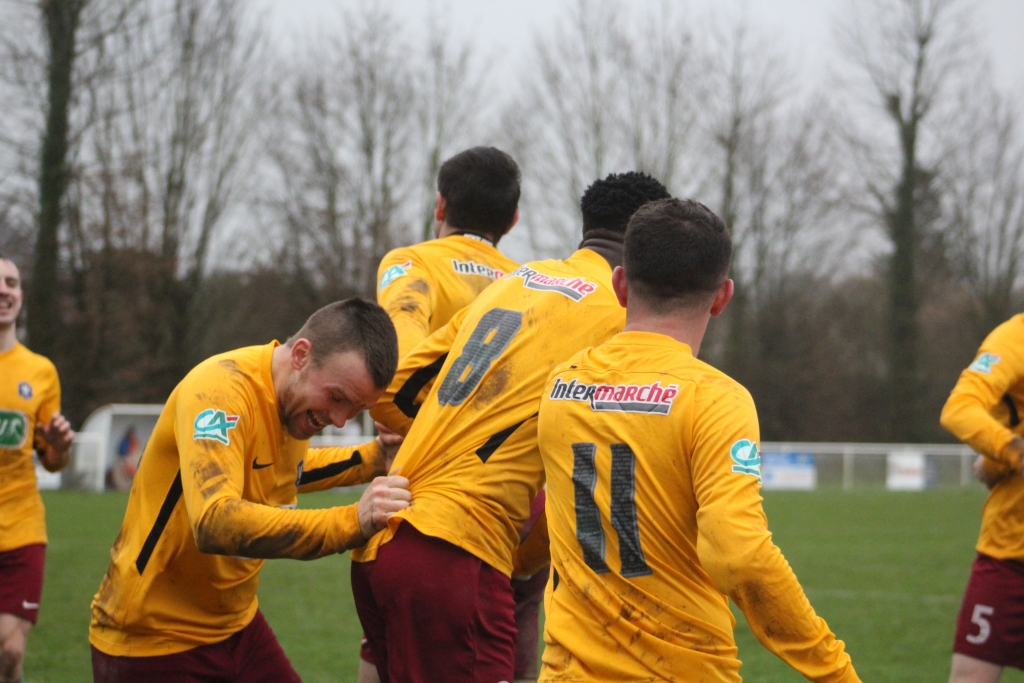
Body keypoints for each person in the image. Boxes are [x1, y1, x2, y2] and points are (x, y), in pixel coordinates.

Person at [353, 172, 671, 683]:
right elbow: (588, 481)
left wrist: (462, 431)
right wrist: (525, 555)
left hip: (384, 539)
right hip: (458, 551)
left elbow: (392, 395)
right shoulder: (622, 322)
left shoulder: (519, 280)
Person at [534, 199, 860, 682]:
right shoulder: (715, 398)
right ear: (722, 296)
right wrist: (835, 670)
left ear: (620, 285)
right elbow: (740, 554)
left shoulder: (561, 384)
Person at [89, 299, 412, 683]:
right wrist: (351, 522)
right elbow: (215, 521)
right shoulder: (219, 392)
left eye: (355, 410)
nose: (340, 421)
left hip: (236, 626)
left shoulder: (291, 402)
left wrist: (374, 457)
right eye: (337, 398)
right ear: (301, 355)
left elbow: (282, 471)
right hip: (150, 638)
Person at [357, 146, 527, 683]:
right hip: (520, 498)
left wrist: (412, 419)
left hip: (432, 500)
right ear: (512, 219)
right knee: (516, 638)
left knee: (387, 646)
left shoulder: (413, 262)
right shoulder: (530, 282)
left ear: (440, 205)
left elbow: (399, 360)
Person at [0, 256, 75, 683]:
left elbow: (52, 458)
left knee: (10, 651)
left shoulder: (40, 371)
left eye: (11, 283)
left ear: (21, 296)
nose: (3, 290)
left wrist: (60, 448)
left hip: (22, 527)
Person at [941, 314, 1024, 683]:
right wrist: (1010, 452)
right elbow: (960, 408)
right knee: (970, 676)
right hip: (1009, 556)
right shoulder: (1014, 339)